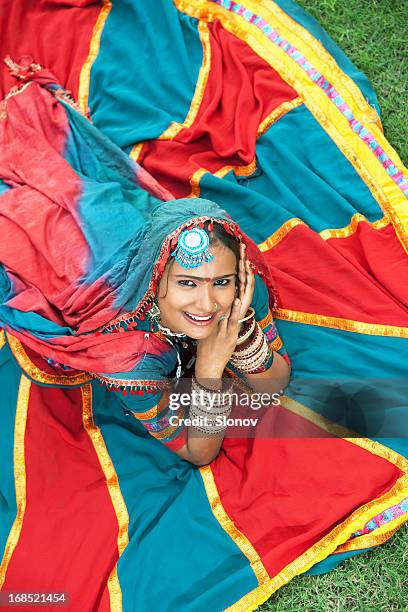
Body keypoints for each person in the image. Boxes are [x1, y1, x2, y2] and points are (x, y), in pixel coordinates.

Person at [0, 73, 407, 611]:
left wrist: (238, 344)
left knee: (91, 194)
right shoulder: (127, 351)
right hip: (69, 265)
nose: (206, 304)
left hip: (120, 229)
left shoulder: (241, 290)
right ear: (157, 287)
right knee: (30, 206)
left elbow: (275, 379)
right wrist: (210, 374)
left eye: (219, 282)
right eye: (187, 287)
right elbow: (197, 450)